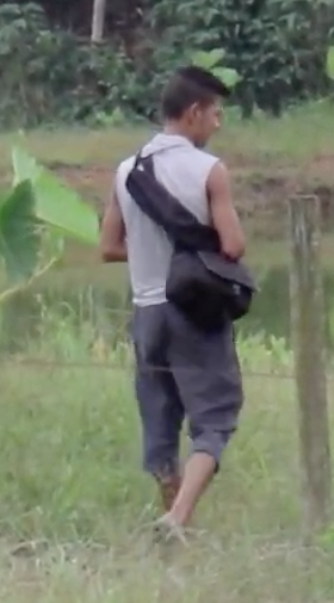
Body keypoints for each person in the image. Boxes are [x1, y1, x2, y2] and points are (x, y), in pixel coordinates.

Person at [100, 66, 247, 541]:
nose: (218, 123)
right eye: (215, 113)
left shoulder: (128, 171)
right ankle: (177, 518)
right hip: (194, 312)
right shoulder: (210, 170)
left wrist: (150, 256)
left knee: (160, 421)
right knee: (215, 419)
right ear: (193, 113)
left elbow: (108, 247)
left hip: (147, 314)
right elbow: (232, 246)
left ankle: (177, 527)